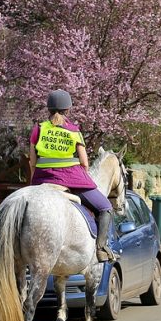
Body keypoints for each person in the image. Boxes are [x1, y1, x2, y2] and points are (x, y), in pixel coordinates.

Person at [29, 89, 116, 262]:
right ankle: (101, 249)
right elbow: (84, 162)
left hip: (42, 179)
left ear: (48, 110)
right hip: (72, 180)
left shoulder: (39, 128)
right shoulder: (74, 131)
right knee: (105, 208)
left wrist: (35, 181)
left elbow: (32, 161)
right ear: (68, 110)